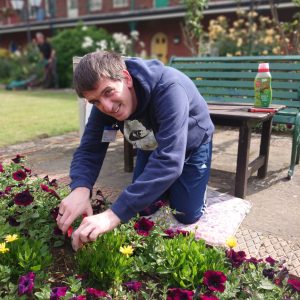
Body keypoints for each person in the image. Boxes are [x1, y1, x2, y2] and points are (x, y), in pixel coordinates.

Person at [56, 51, 214, 251]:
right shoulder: (104, 103)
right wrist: (80, 188)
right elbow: (90, 148)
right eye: (95, 101)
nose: (106, 106)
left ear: (127, 78)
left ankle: (195, 183)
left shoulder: (169, 88)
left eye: (108, 92)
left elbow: (169, 161)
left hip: (191, 143)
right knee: (143, 207)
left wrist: (112, 215)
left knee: (186, 213)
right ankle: (168, 185)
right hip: (150, 144)